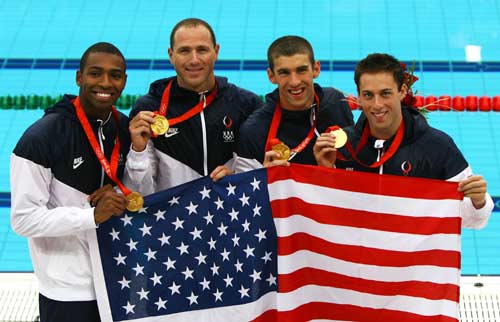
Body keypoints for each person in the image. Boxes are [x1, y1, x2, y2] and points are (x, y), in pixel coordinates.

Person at [10, 42, 130, 321]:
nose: (105, 82)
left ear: (124, 81)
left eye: (115, 75)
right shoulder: (41, 138)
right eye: (95, 73)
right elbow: (23, 219)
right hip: (69, 289)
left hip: (118, 278)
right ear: (79, 77)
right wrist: (90, 216)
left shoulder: (123, 128)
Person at [313, 53, 493, 228]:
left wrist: (478, 201)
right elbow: (330, 215)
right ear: (358, 96)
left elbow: (472, 220)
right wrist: (326, 171)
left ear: (402, 91)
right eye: (368, 95)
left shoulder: (437, 146)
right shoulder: (343, 145)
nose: (377, 104)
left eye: (385, 94)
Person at [124, 18, 262, 194]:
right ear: (171, 55)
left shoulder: (246, 105)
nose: (194, 60)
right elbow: (139, 192)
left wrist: (239, 177)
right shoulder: (149, 109)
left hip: (231, 217)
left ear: (216, 51)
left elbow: (265, 175)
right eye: (184, 51)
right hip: (174, 219)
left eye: (202, 50)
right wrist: (138, 151)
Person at [234, 35, 354, 171]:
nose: (294, 82)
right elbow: (245, 188)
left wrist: (330, 169)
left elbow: (355, 167)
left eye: (301, 70)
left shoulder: (335, 102)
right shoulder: (254, 130)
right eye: (284, 73)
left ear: (316, 69)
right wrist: (265, 177)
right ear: (271, 76)